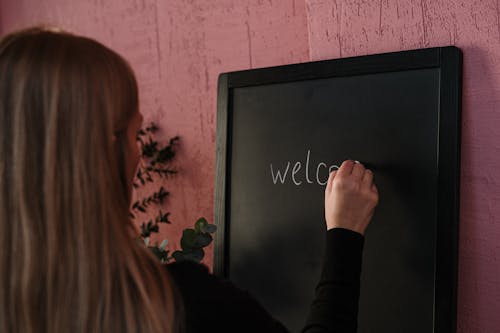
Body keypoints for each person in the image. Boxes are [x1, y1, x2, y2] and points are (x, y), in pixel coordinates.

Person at [0, 27, 378, 333]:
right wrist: (345, 235)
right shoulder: (174, 304)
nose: (138, 152)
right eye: (133, 136)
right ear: (102, 156)